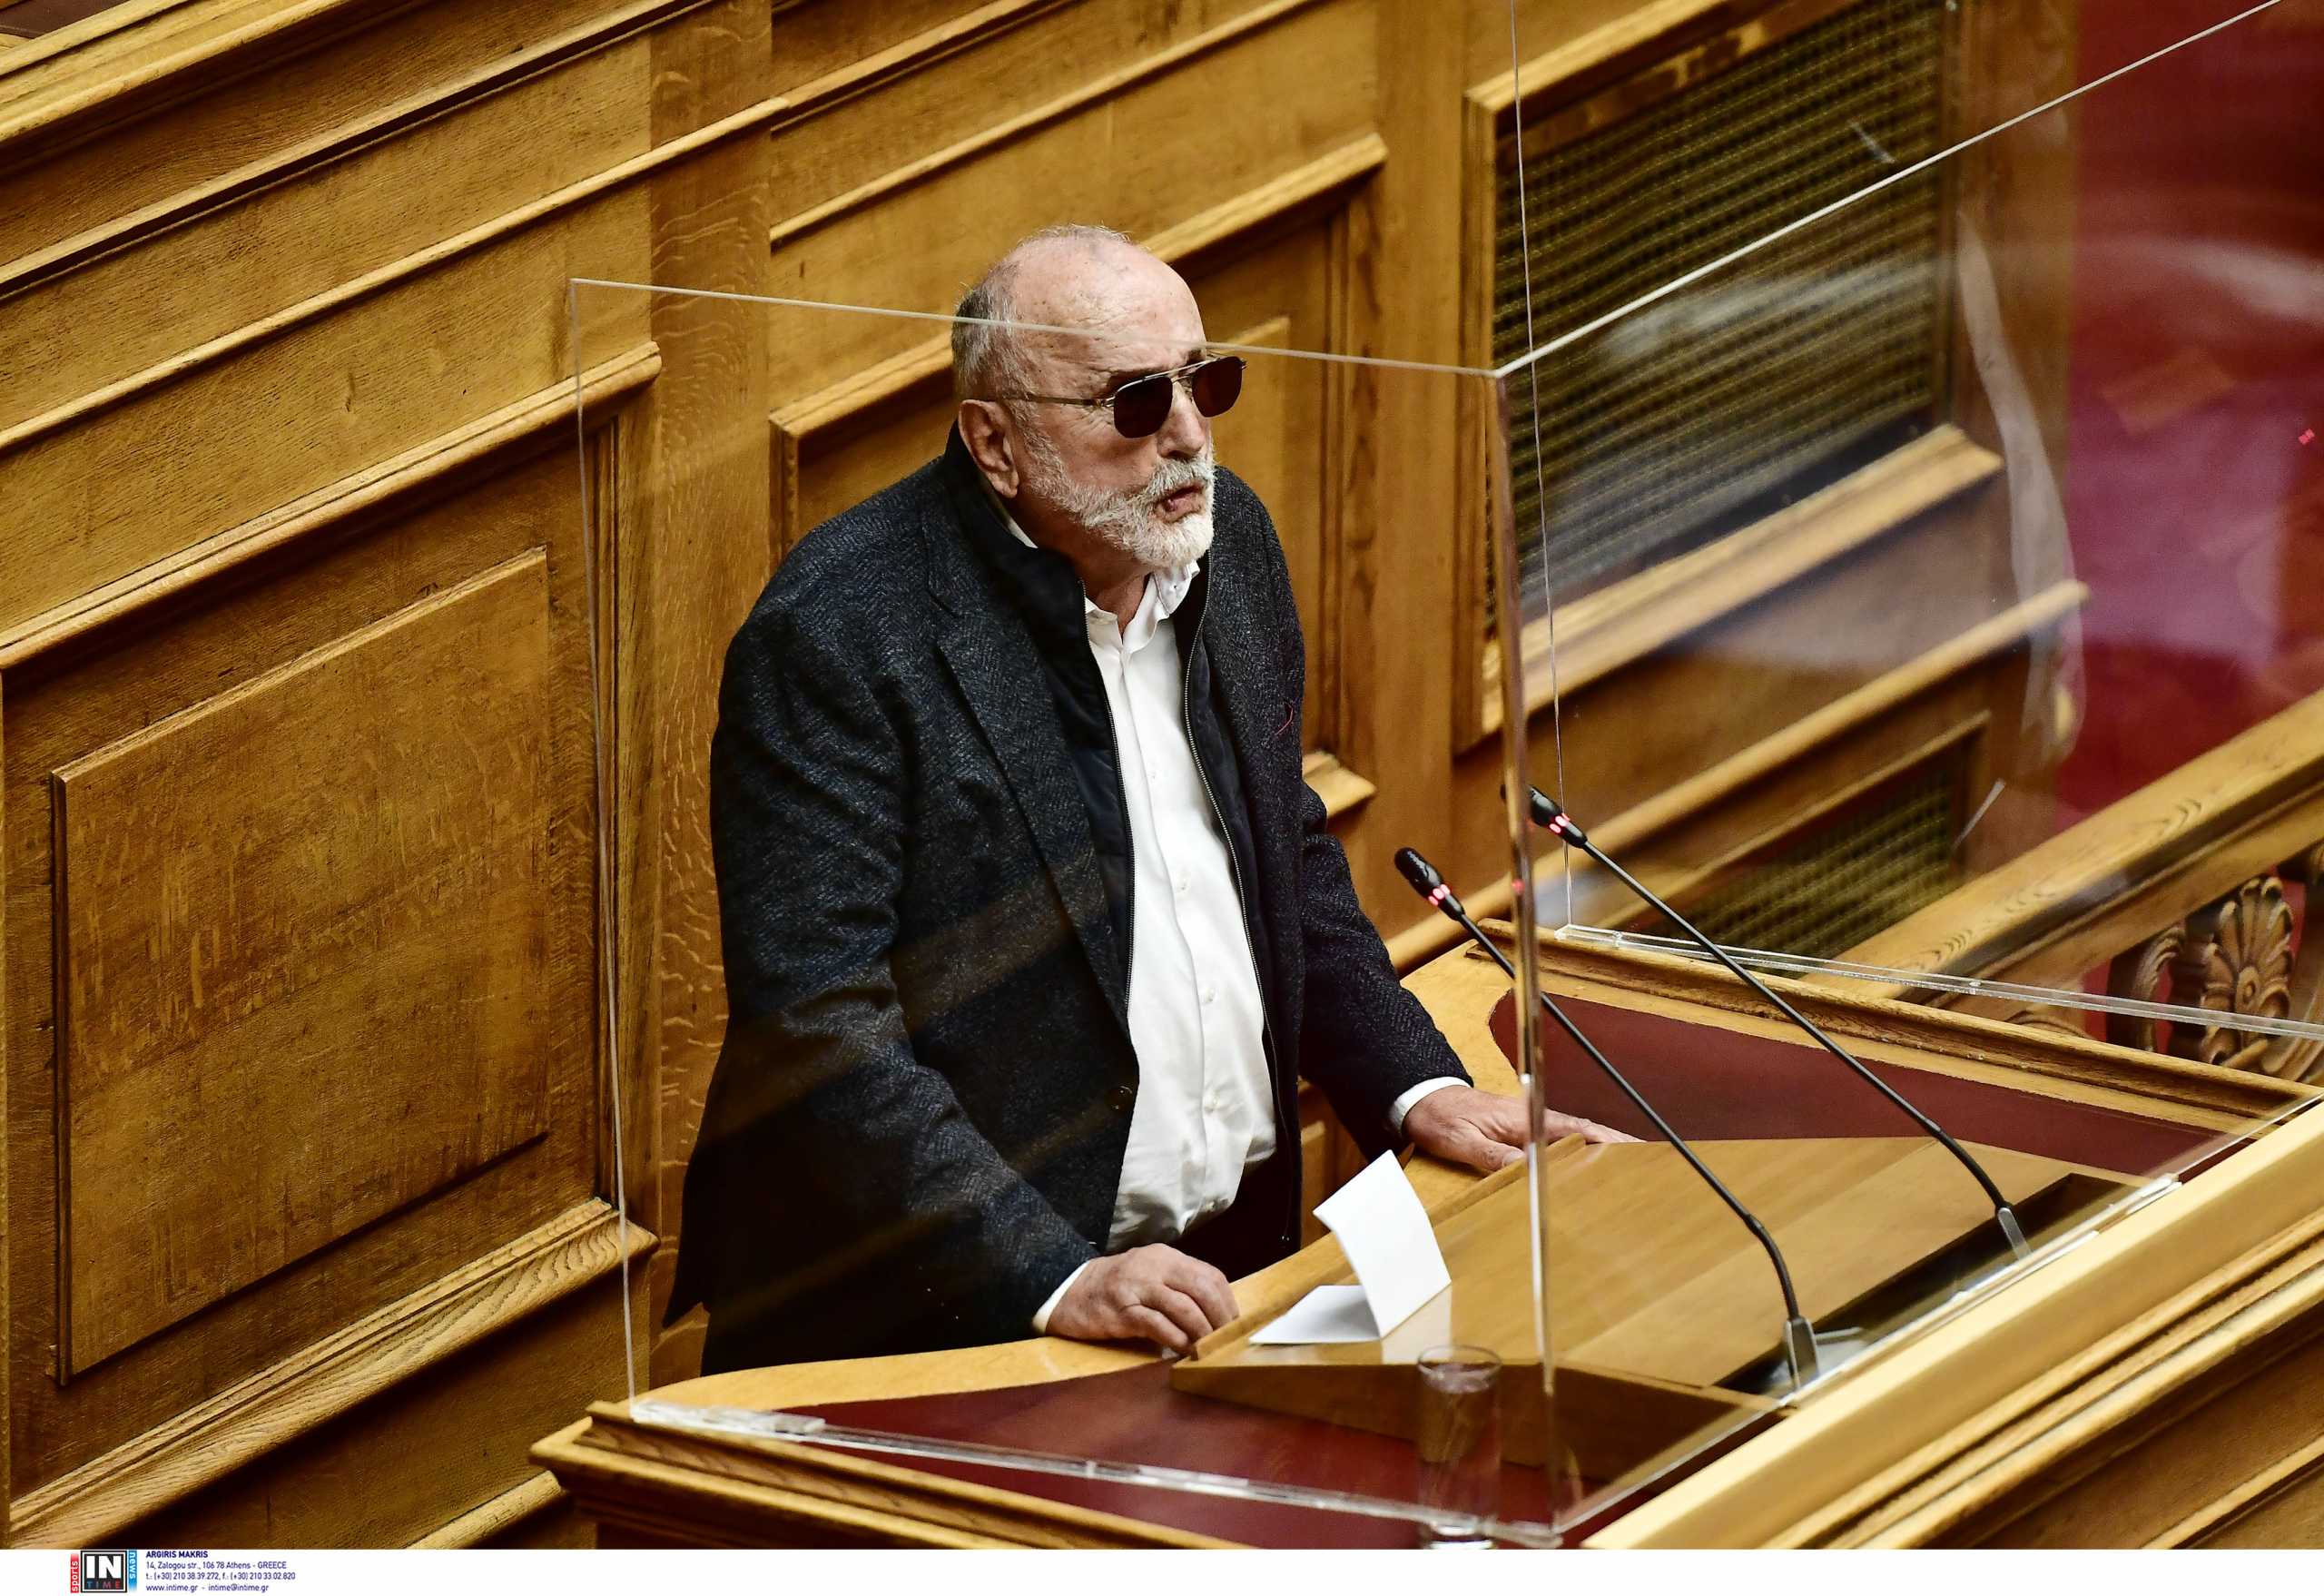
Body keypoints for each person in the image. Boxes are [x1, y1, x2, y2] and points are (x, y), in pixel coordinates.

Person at [667, 224, 1626, 1374]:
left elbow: (1280, 855)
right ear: (996, 443)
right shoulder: (839, 636)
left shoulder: (1229, 543)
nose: (1187, 435)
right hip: (960, 1323)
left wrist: (1411, 1083)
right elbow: (819, 1027)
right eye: (1132, 403)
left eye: (1203, 382)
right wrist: (1052, 1272)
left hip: (1225, 1275)